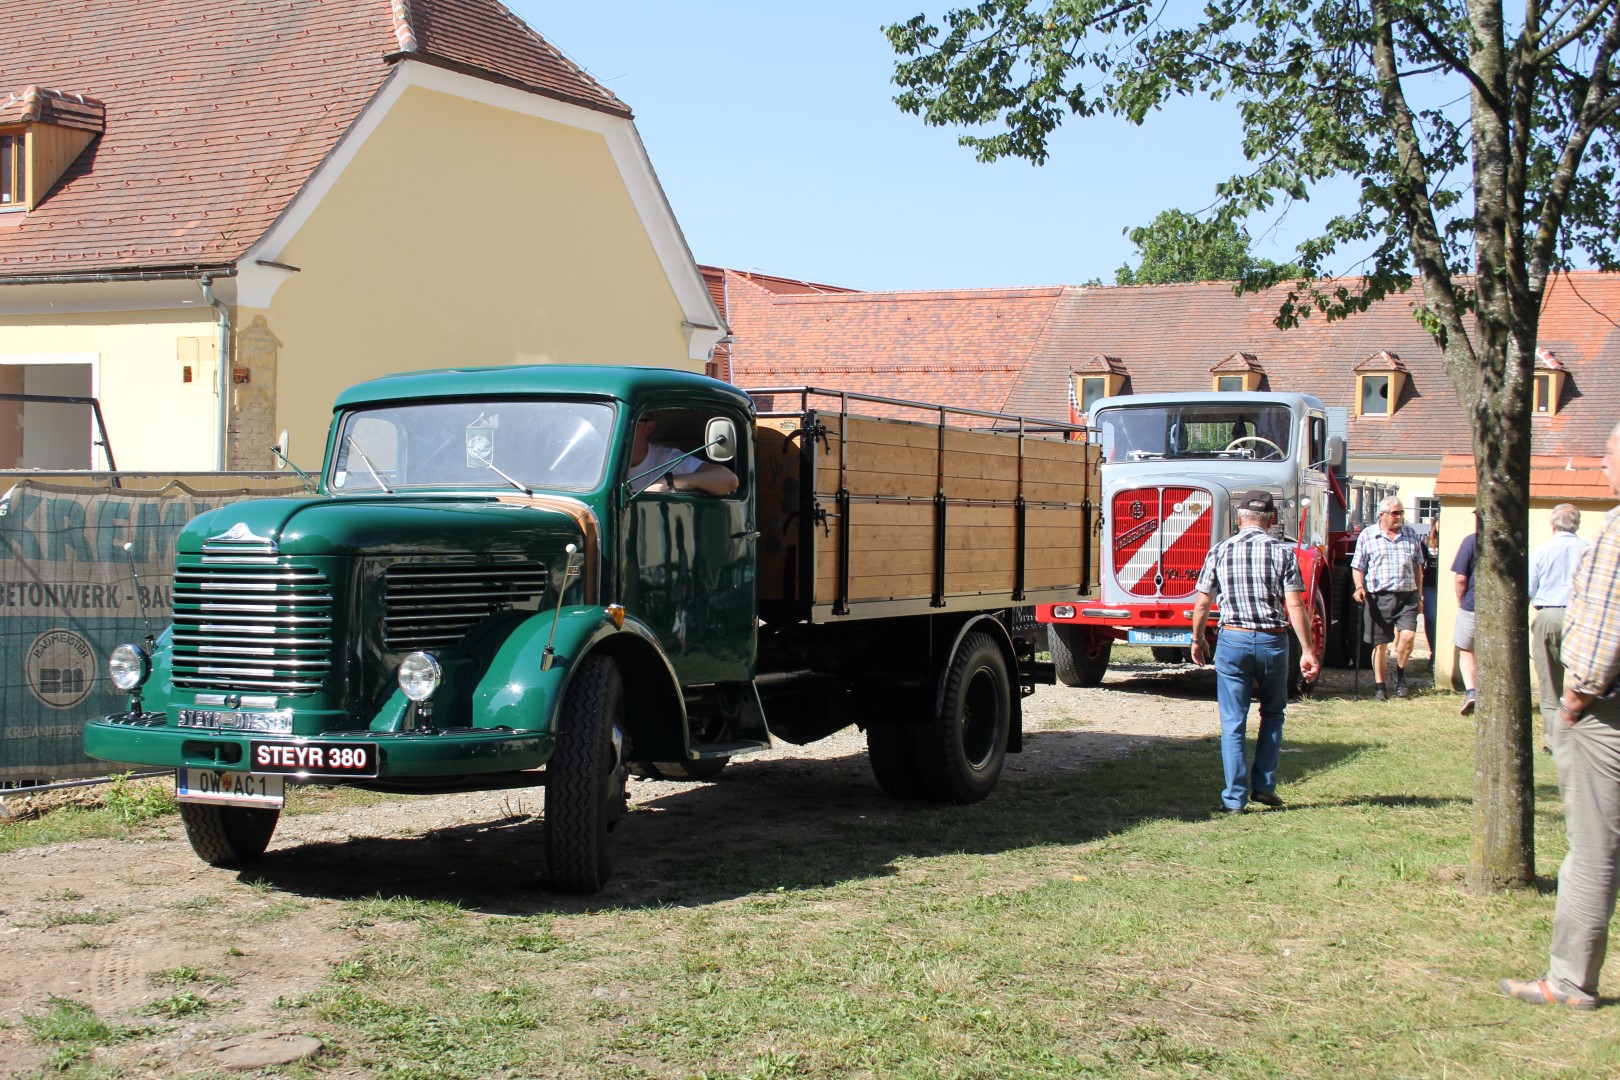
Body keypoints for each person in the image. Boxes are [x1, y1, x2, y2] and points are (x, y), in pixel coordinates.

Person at [1500, 423, 1620, 1012]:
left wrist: (1577, 700)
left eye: (1609, 451)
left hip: (1603, 704)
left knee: (1593, 845)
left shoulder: (1616, 535)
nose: (1603, 460)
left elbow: (1604, 634)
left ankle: (1570, 980)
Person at [1190, 490, 1321, 813]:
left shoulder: (1220, 551)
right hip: (1273, 641)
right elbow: (1294, 604)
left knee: (1234, 721)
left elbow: (1203, 602)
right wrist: (1307, 650)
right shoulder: (1283, 553)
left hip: (1233, 639)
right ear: (1272, 519)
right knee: (1273, 713)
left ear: (1239, 518)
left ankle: (1234, 798)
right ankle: (1263, 785)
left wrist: (1197, 639)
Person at [1529, 504, 1592, 751]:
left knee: (1550, 683)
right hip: (1582, 617)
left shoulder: (1542, 551)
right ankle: (1582, 736)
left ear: (1553, 524)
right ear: (1577, 524)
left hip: (1549, 614)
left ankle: (1554, 741)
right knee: (1583, 679)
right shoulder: (1589, 550)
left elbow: (1529, 588)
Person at [1350, 496, 1426, 700]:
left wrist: (1419, 595)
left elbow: (1418, 566)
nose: (1399, 517)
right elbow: (1358, 567)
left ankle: (1400, 675)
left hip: (1407, 595)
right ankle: (1380, 687)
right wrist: (1359, 587)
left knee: (1408, 636)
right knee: (1380, 645)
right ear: (1382, 515)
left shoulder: (1410, 534)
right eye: (1395, 513)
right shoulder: (1368, 535)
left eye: (1401, 512)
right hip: (1378, 596)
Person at [628, 415, 738, 495]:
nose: (623, 432)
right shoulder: (609, 461)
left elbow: (729, 480)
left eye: (631, 424)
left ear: (649, 427)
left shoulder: (667, 458)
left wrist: (668, 482)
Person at [1452, 517, 1479, 715]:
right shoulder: (1508, 541)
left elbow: (1461, 578)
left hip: (1472, 605)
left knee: (1467, 650)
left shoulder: (1471, 541)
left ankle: (1471, 691)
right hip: (1500, 610)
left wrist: (1460, 602)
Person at [1422, 515, 1440, 655]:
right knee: (1430, 617)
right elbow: (1420, 566)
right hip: (1430, 584)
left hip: (1444, 585)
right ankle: (1433, 651)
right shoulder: (1427, 543)